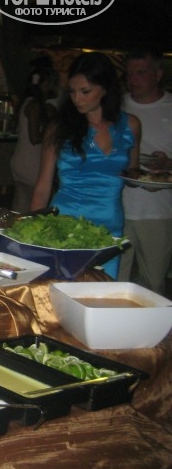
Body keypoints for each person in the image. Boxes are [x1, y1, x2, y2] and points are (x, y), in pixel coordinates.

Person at [31, 51, 141, 279]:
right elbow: (43, 185)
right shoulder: (60, 127)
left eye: (85, 91)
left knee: (102, 293)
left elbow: (133, 174)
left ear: (105, 89)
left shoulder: (130, 125)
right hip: (65, 223)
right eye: (72, 91)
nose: (77, 99)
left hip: (109, 226)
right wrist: (31, 232)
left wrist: (149, 180)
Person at [117, 49, 172, 296]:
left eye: (140, 72)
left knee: (154, 284)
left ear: (158, 74)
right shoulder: (116, 107)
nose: (132, 79)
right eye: (129, 73)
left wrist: (168, 165)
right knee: (112, 278)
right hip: (117, 206)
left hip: (158, 210)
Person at [10, 62, 60, 213]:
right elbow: (34, 138)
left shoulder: (25, 102)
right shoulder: (34, 105)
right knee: (37, 205)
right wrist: (52, 134)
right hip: (31, 162)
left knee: (20, 205)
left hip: (20, 159)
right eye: (50, 83)